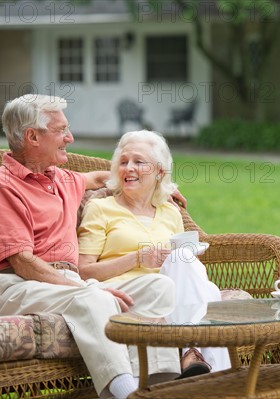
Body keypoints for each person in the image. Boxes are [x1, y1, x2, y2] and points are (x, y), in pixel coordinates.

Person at [0, 94, 181, 399]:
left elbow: (102, 178)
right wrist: (86, 288)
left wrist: (164, 188)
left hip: (61, 283)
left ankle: (155, 384)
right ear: (32, 137)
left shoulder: (58, 178)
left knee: (159, 287)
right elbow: (24, 264)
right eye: (60, 131)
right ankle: (123, 392)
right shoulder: (2, 187)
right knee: (94, 300)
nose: (69, 138)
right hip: (15, 286)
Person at [77, 130, 231, 378]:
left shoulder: (170, 212)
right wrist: (137, 258)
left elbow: (183, 268)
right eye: (123, 162)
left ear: (160, 172)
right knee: (206, 293)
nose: (129, 168)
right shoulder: (100, 208)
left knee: (192, 270)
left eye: (139, 162)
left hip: (171, 298)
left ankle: (198, 363)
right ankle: (208, 368)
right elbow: (83, 271)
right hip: (129, 293)